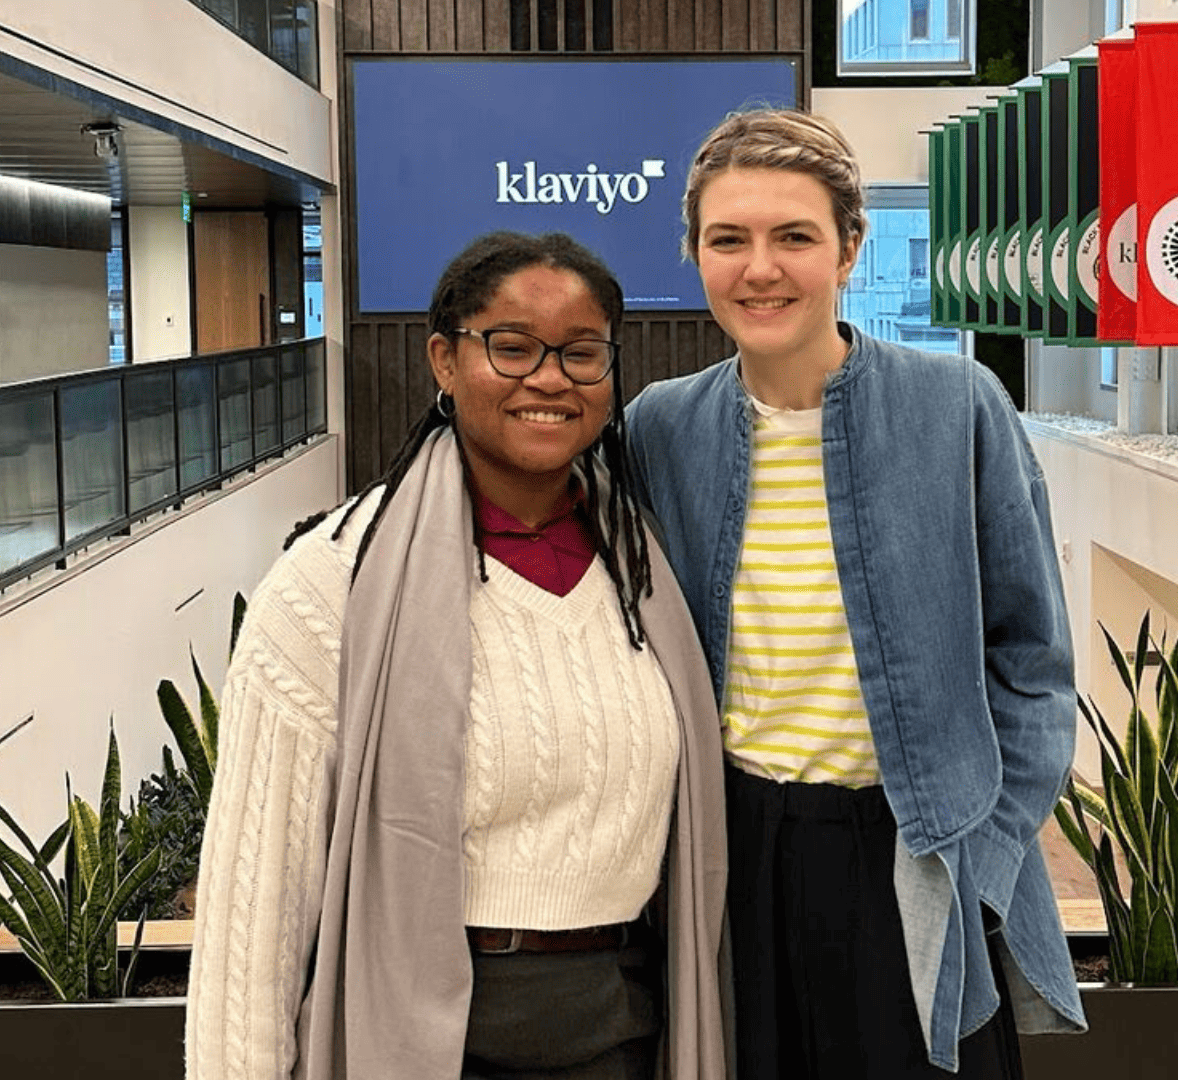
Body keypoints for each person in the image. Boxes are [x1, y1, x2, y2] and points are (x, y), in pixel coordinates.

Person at [186, 231, 729, 1080]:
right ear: (444, 360)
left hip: (623, 1029)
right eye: (510, 347)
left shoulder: (647, 574)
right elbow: (252, 913)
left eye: (582, 354)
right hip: (427, 1041)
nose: (549, 378)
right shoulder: (335, 582)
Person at [624, 108, 1086, 1079]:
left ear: (848, 249)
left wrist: (987, 858)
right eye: (727, 239)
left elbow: (1032, 661)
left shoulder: (957, 405)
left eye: (793, 235)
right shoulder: (659, 427)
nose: (760, 267)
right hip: (730, 855)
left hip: (910, 852)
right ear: (692, 255)